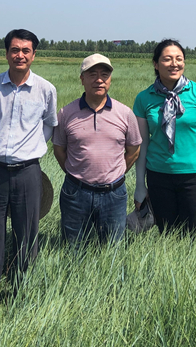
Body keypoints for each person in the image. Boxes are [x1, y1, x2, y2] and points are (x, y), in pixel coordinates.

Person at [0, 28, 57, 298]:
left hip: (28, 172)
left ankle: (22, 290)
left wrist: (30, 147)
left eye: (25, 50)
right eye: (14, 50)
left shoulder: (46, 89)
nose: (19, 55)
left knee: (27, 232)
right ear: (6, 53)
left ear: (34, 55)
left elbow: (49, 125)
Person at [133, 39, 196, 236]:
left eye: (179, 59)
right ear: (156, 64)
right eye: (167, 59)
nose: (174, 64)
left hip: (195, 176)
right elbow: (142, 143)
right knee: (166, 235)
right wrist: (140, 185)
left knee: (193, 235)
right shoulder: (144, 98)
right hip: (158, 175)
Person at [53, 54, 141, 244]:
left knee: (112, 250)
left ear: (110, 79)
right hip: (75, 193)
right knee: (73, 249)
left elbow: (134, 150)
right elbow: (59, 150)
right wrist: (76, 172)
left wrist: (115, 173)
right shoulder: (66, 113)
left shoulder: (125, 113)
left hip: (114, 194)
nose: (99, 80)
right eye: (92, 74)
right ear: (82, 79)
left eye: (104, 74)